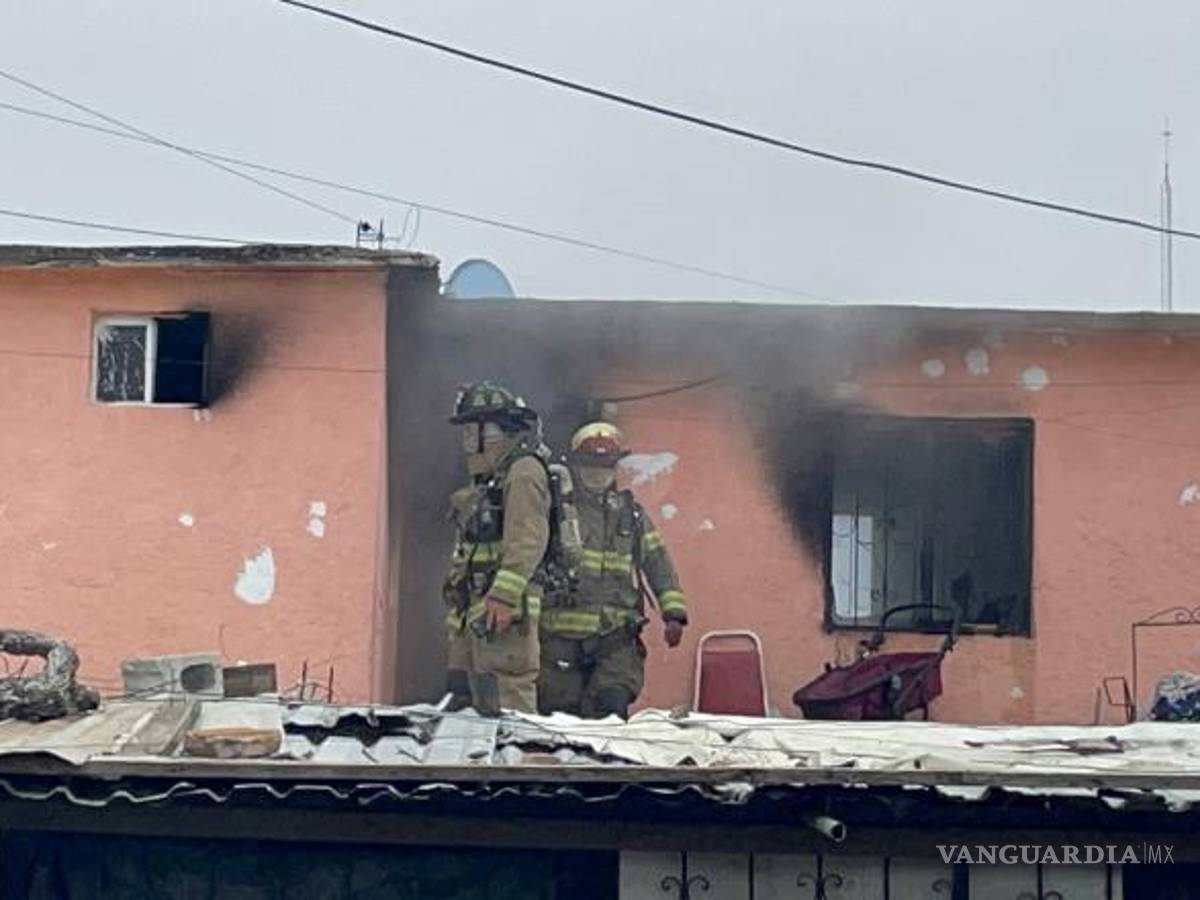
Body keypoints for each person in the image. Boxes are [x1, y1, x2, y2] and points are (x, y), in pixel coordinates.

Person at [537, 421, 687, 719]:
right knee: (560, 724)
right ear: (576, 466)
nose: (598, 473)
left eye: (606, 466)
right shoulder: (555, 512)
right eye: (591, 465)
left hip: (616, 640)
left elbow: (657, 561)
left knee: (611, 712)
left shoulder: (630, 514)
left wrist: (674, 614)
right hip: (559, 644)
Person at [442, 381, 550, 717]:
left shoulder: (523, 472)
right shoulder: (490, 481)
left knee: (509, 699)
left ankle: (516, 766)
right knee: (473, 705)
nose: (468, 443)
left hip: (504, 611)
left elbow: (528, 537)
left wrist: (504, 595)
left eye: (473, 431)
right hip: (478, 609)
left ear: (495, 431)